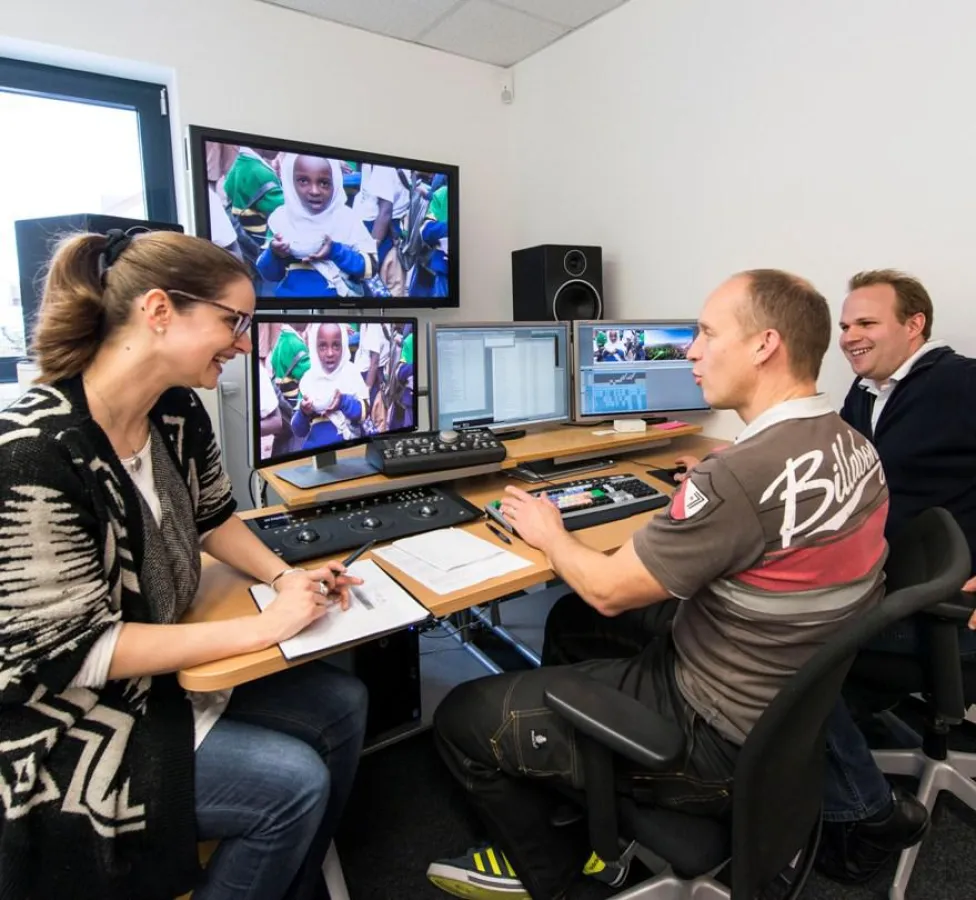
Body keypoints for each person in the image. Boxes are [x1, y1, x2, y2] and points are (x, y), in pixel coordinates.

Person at [427, 270, 891, 900]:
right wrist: (694, 497)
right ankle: (588, 803)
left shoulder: (738, 477)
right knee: (569, 621)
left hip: (714, 730)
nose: (691, 351)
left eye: (705, 333)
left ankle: (557, 880)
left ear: (764, 346)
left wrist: (549, 531)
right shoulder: (851, 444)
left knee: (459, 716)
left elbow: (610, 589)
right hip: (782, 713)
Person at [0, 229, 368, 900]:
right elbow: (80, 652)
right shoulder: (32, 454)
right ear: (160, 310)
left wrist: (285, 578)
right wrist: (268, 626)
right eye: (234, 321)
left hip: (156, 679)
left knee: (343, 705)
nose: (244, 343)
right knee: (291, 785)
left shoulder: (174, 411)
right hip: (67, 719)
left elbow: (214, 517)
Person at [808, 269, 976, 882]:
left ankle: (866, 813)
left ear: (914, 326)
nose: (849, 335)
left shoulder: (959, 384)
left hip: (942, 615)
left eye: (866, 323)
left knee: (787, 641)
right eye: (846, 324)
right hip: (891, 588)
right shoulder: (871, 391)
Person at [256, 154, 377, 300]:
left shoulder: (346, 219)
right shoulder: (281, 219)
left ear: (336, 182)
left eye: (324, 183)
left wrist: (335, 251)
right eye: (303, 181)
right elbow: (269, 275)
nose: (314, 191)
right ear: (290, 181)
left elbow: (370, 268)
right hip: (292, 311)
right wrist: (275, 253)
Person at [292, 321, 369, 448]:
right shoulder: (308, 380)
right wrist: (303, 412)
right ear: (314, 347)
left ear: (344, 345)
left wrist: (342, 402)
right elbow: (298, 431)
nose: (330, 353)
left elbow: (364, 413)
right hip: (316, 454)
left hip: (349, 450)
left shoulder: (351, 373)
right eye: (322, 346)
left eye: (336, 345)